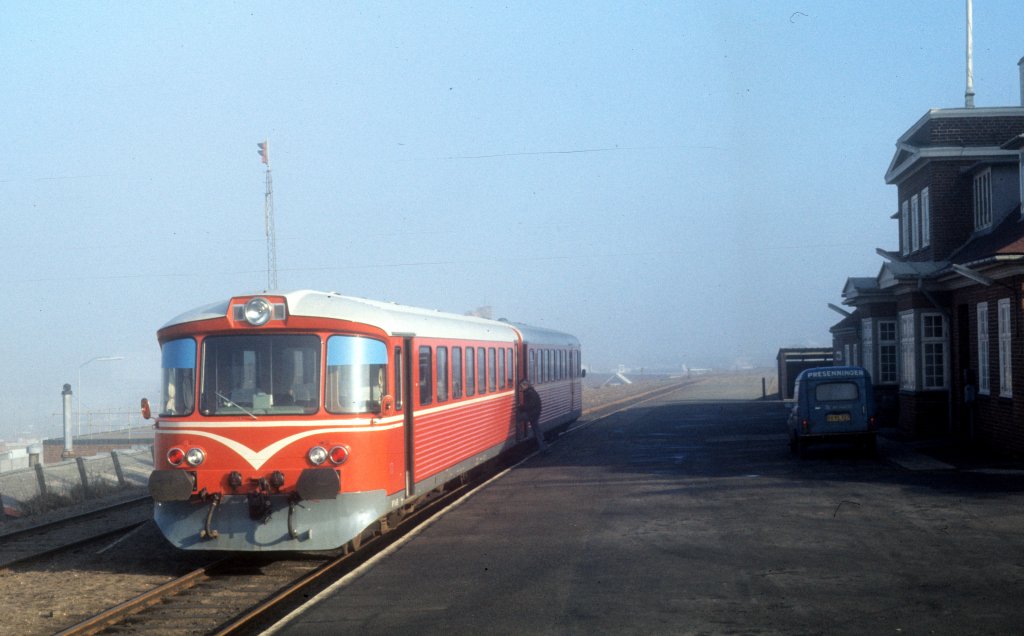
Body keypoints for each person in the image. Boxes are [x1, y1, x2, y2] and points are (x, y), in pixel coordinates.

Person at [519, 379, 546, 452]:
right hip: (534, 414)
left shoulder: (530, 393)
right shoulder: (531, 391)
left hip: (532, 414)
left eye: (522, 387)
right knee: (536, 430)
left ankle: (543, 447)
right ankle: (543, 446)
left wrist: (520, 407)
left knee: (518, 418)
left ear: (526, 385)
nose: (521, 389)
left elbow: (530, 405)